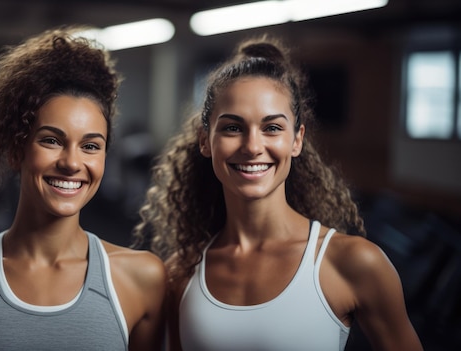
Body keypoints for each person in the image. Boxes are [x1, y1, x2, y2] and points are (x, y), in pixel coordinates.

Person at [133, 36, 422, 351]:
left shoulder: (353, 262)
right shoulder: (182, 273)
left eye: (271, 128)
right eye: (232, 128)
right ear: (205, 140)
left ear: (297, 140)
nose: (253, 147)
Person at [0, 26, 166, 351]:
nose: (71, 162)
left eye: (91, 146)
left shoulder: (143, 277)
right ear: (14, 151)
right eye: (51, 140)